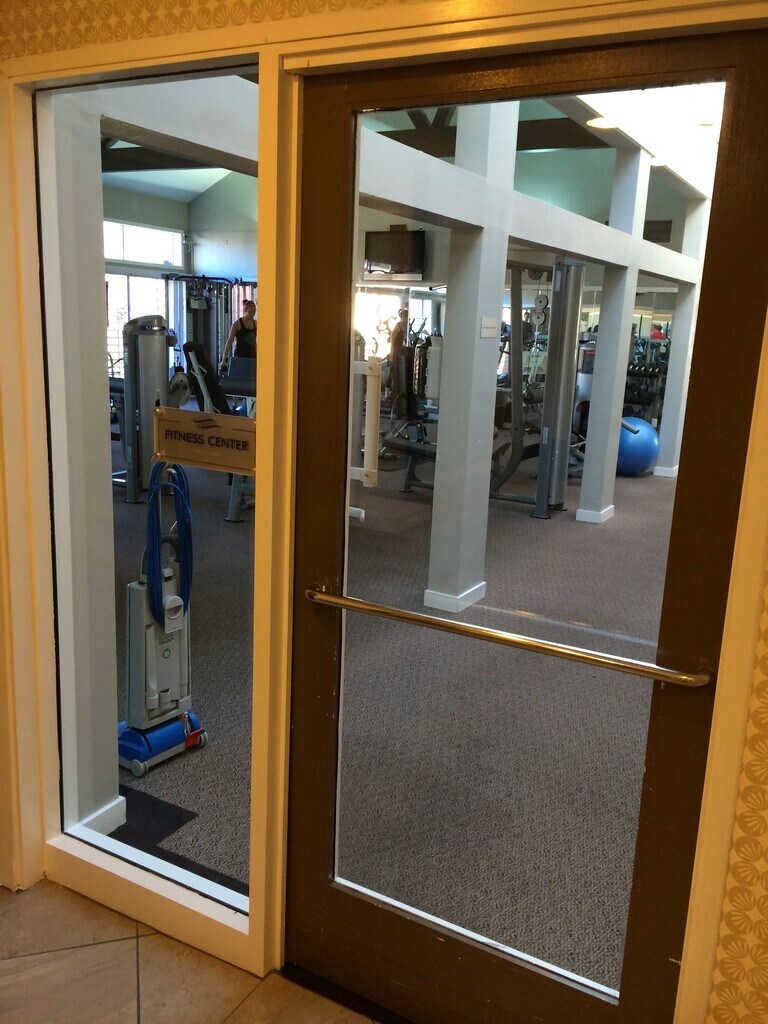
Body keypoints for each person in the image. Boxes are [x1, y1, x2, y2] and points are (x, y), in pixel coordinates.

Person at [220, 298, 257, 370]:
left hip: (252, 356)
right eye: (250, 312)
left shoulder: (256, 323)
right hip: (240, 356)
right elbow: (230, 341)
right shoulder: (237, 324)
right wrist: (223, 359)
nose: (252, 314)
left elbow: (255, 342)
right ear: (245, 310)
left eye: (254, 312)